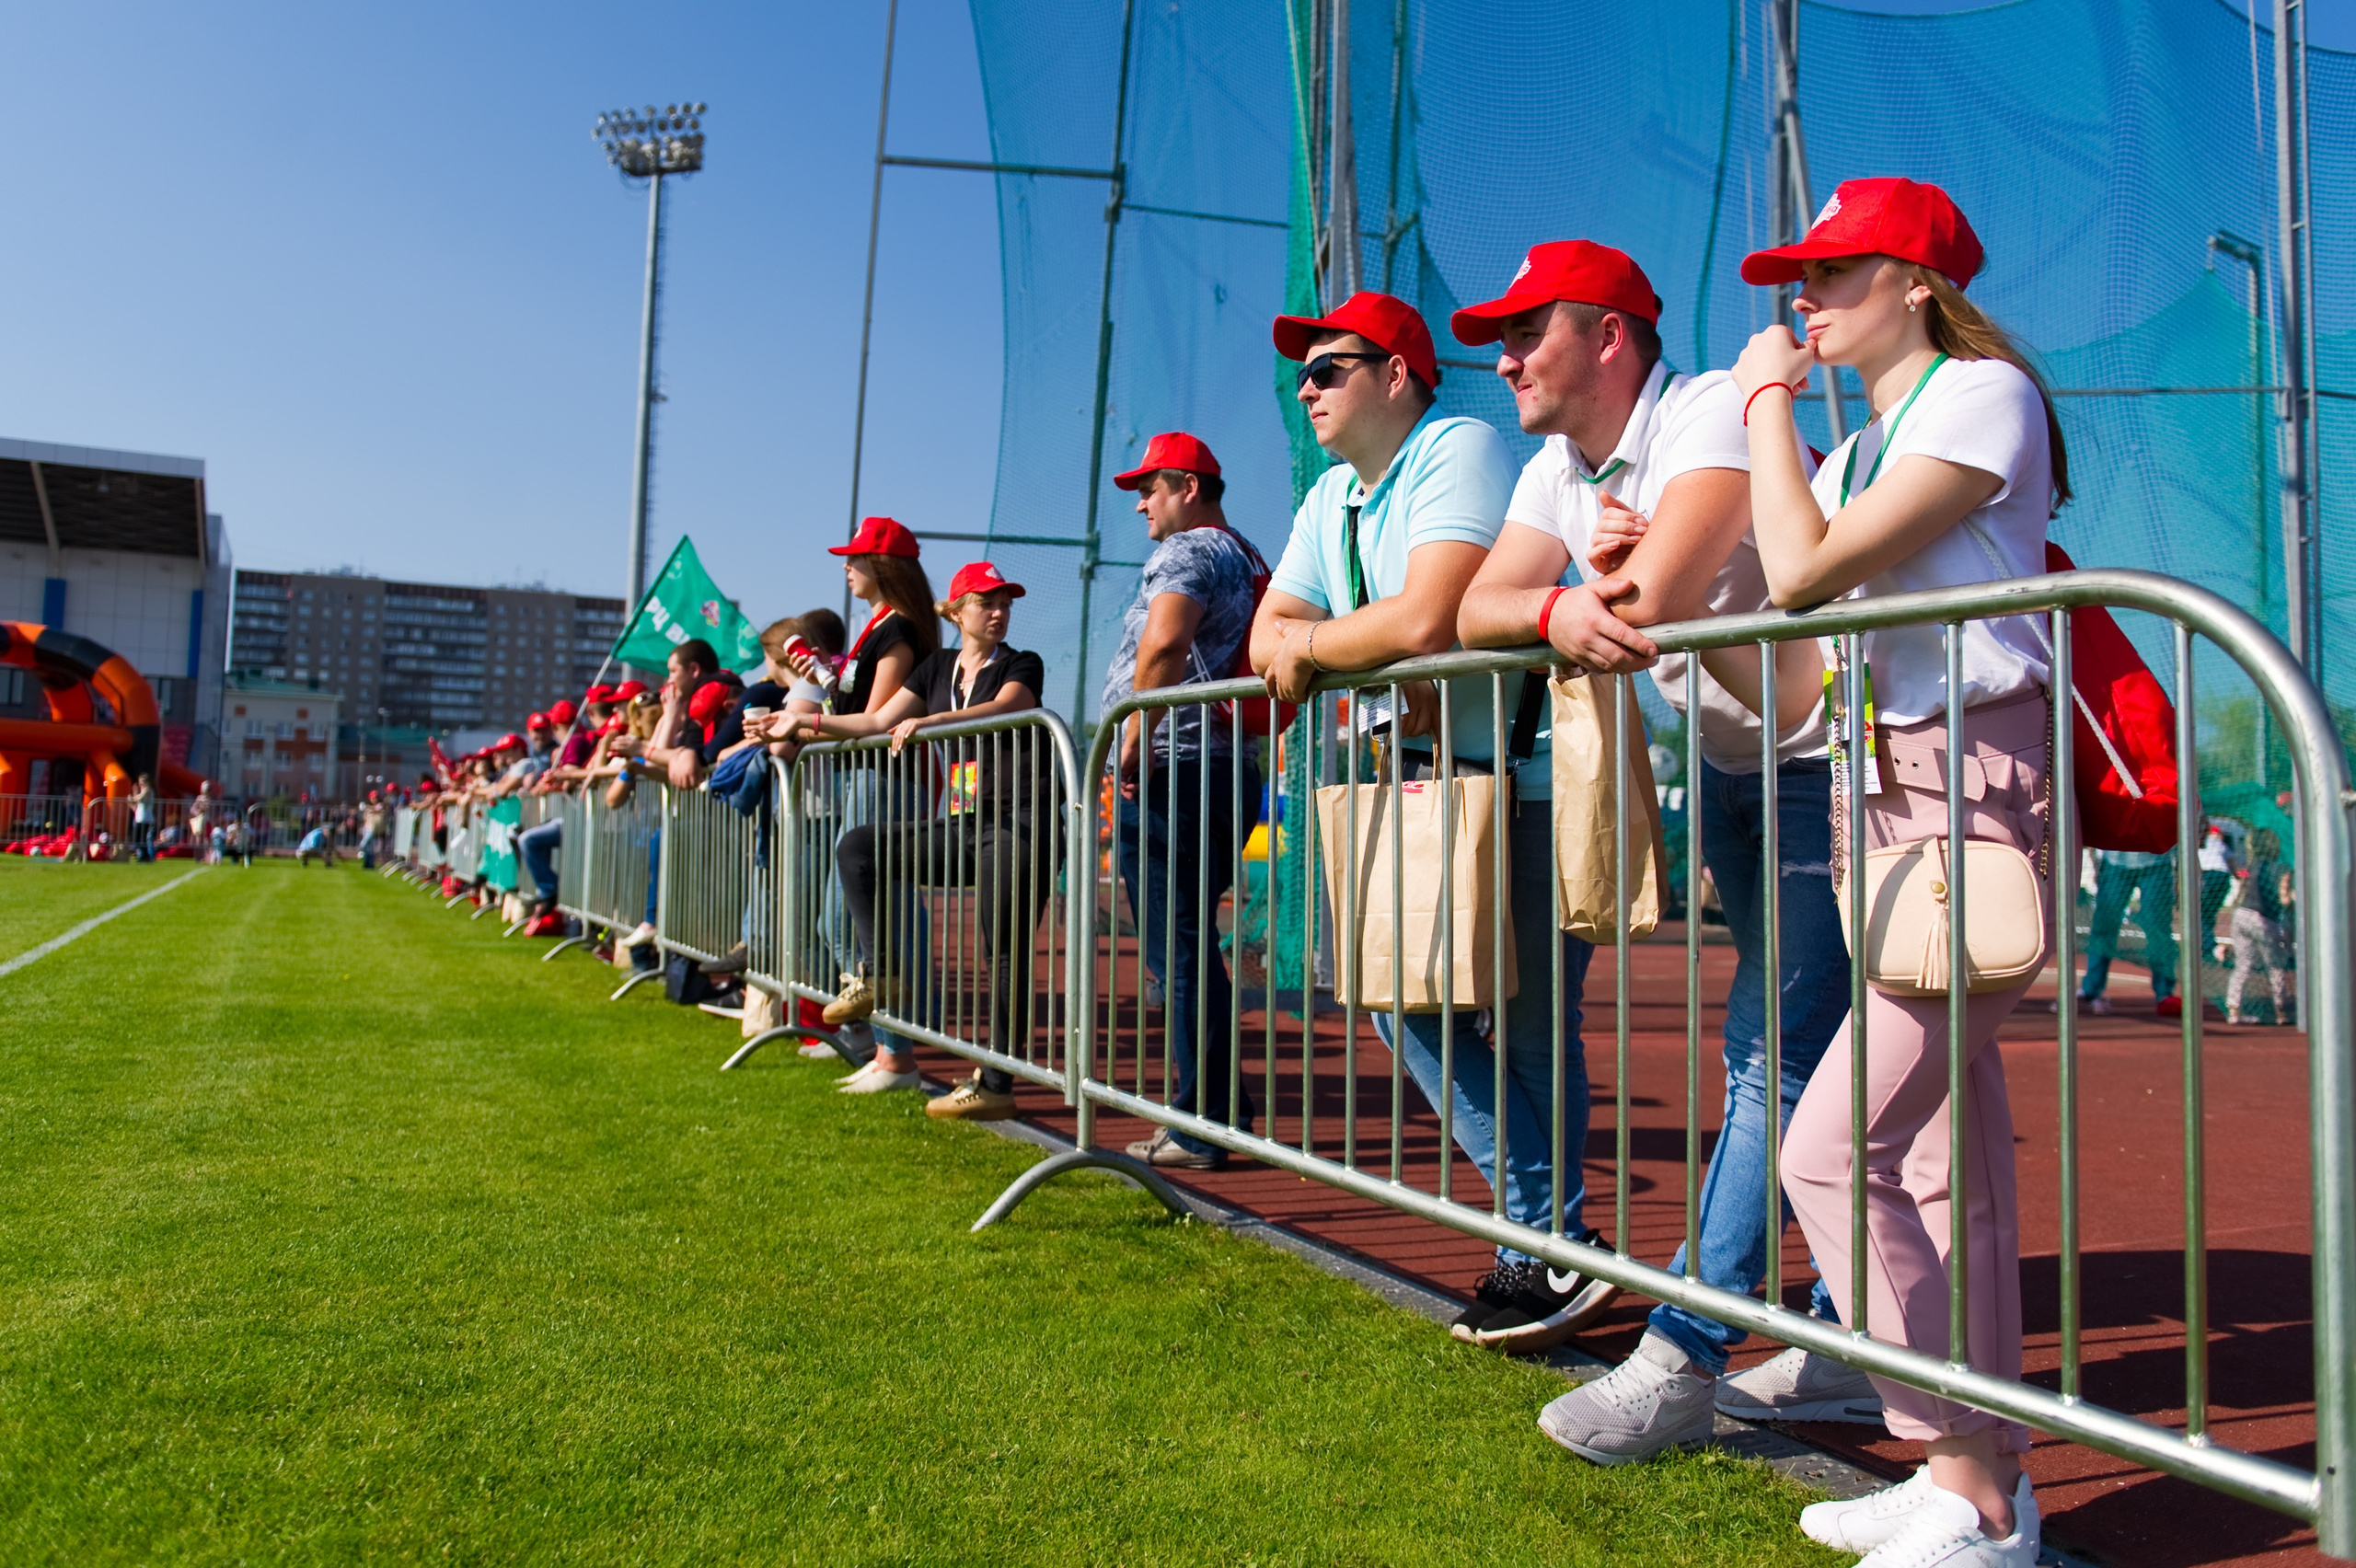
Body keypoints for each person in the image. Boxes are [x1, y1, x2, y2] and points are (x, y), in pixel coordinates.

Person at [1447, 240, 1872, 1445]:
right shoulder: (1554, 467)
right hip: (1738, 768)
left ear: (1613, 337)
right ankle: (1850, 1331)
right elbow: (1482, 606)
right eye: (1500, 337)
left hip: (1827, 769)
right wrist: (1552, 604)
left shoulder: (1701, 419)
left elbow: (1656, 597)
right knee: (1844, 1062)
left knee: (1776, 1056)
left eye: (1529, 332)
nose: (1507, 357)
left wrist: (1590, 596)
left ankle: (1688, 1347)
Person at [1734, 176, 2059, 1564]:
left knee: (1832, 1143)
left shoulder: (1984, 395)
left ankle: (1966, 1470)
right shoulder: (1866, 451)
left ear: (1915, 283)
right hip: (1879, 789)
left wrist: (1761, 412)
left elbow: (1805, 572)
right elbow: (1802, 667)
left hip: (1972, 783)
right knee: (1941, 1157)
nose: (1804, 301)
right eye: (1800, 278)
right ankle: (1975, 1490)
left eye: (1835, 272)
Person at [1248, 288, 1612, 1343]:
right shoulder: (1332, 497)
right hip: (1414, 780)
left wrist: (1317, 650)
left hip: (1521, 776)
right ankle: (1550, 1242)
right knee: (1398, 998)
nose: (1306, 386)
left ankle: (1539, 1249)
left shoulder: (1455, 445)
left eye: (1330, 368)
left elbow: (1423, 618)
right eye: (1304, 371)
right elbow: (1270, 629)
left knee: (1534, 1025)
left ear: (1395, 376)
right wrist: (1321, 644)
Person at [777, 561, 1050, 1114]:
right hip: (966, 822)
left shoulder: (1021, 662)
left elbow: (1007, 708)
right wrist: (800, 725)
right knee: (858, 847)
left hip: (1020, 822)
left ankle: (997, 1087)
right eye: (986, 602)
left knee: (1002, 953)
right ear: (955, 610)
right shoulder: (936, 667)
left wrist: (928, 725)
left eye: (1005, 603)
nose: (998, 612)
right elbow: (876, 722)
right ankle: (883, 976)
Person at [1096, 432, 1266, 1170]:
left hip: (1182, 767)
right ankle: (1222, 1113)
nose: (1141, 504)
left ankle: (1201, 1125)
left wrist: (1140, 727)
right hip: (1219, 766)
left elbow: (1164, 644)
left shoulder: (1191, 550)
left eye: (1151, 488)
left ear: (1190, 488)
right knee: (1190, 942)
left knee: (1180, 948)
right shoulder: (1246, 551)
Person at [786, 518, 942, 1066]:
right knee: (874, 916)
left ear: (882, 566)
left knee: (851, 918)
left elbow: (876, 721)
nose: (846, 567)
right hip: (871, 775)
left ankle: (895, 1049)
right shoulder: (880, 624)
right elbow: (858, 707)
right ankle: (889, 1046)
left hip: (887, 776)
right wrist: (826, 680)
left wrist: (801, 726)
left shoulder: (898, 628)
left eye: (854, 558)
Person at [2077, 848, 2181, 1017]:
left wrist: (2180, 870)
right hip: (2115, 862)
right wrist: (2096, 864)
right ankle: (2090, 991)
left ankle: (2164, 994)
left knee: (2159, 932)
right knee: (2103, 927)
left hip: (2157, 861)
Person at [2225, 828, 2293, 1025]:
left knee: (2243, 964)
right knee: (2275, 965)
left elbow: (2241, 893)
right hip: (2264, 920)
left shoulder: (2251, 865)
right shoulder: (2283, 868)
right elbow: (2284, 898)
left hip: (2241, 915)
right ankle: (2281, 1011)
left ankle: (2233, 1009)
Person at [129, 775, 156, 862]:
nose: (141, 784)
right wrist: (133, 795)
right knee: (138, 838)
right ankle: (143, 855)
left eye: (142, 782)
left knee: (142, 839)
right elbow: (135, 806)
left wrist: (133, 798)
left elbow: (140, 797)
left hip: (146, 818)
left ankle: (146, 856)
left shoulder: (148, 790)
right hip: (140, 818)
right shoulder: (142, 791)